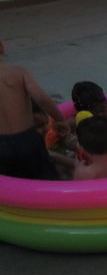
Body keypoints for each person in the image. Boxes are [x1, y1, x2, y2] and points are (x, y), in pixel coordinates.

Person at [0, 39, 67, 180]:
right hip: (27, 139)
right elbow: (41, 98)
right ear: (1, 48)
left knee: (10, 186)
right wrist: (60, 120)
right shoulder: (18, 72)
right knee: (47, 181)